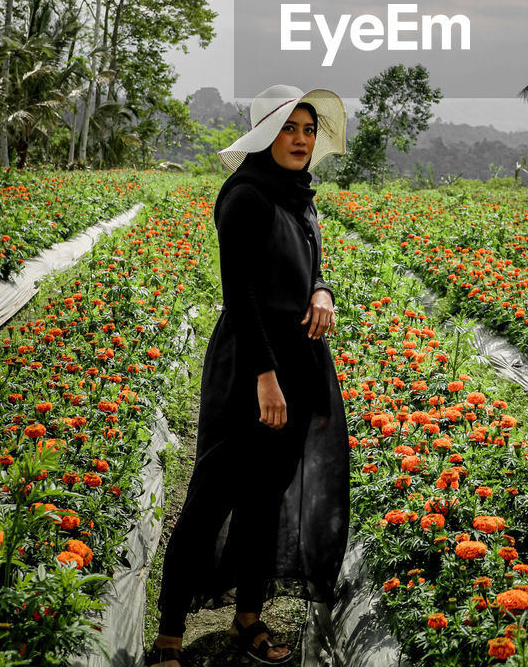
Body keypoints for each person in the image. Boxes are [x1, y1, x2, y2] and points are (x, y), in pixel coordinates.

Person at [146, 84, 349, 667]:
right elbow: (241, 294)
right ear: (265, 133)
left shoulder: (299, 198)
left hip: (297, 363)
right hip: (251, 366)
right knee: (211, 497)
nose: (302, 140)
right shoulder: (246, 198)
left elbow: (311, 264)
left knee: (265, 498)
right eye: (290, 128)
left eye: (309, 130)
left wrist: (322, 287)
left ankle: (249, 617)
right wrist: (264, 376)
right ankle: (168, 635)